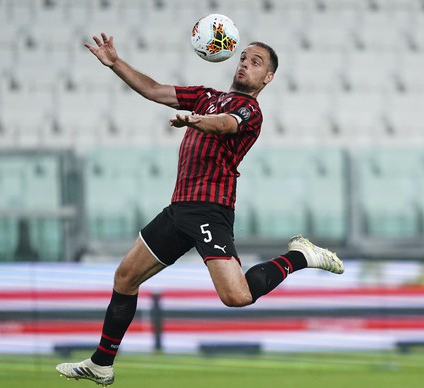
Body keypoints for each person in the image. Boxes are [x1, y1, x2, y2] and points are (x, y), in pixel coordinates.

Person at [55, 32, 344, 386]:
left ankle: (299, 256)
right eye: (243, 57)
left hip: (210, 210)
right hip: (178, 209)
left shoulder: (249, 110)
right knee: (125, 278)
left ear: (267, 78)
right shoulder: (208, 96)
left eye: (256, 62)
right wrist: (116, 63)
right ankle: (102, 364)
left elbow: (226, 125)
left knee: (236, 296)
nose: (245, 64)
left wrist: (195, 121)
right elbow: (154, 90)